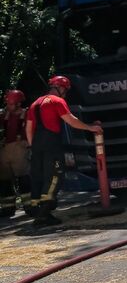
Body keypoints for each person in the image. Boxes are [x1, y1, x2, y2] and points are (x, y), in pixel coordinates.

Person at [26, 75, 102, 227]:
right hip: (51, 144)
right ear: (60, 88)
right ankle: (43, 215)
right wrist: (90, 127)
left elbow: (29, 128)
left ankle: (35, 207)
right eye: (65, 90)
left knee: (39, 177)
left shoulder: (35, 104)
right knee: (54, 177)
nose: (65, 93)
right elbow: (71, 120)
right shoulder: (57, 101)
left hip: (36, 144)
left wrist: (33, 146)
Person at [0, 90, 30, 218]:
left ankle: (30, 206)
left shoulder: (25, 114)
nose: (9, 106)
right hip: (4, 150)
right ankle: (7, 208)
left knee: (24, 178)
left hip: (20, 149)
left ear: (18, 103)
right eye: (8, 103)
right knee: (4, 181)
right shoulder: (2, 115)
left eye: (11, 103)